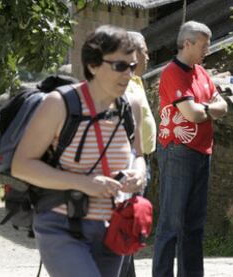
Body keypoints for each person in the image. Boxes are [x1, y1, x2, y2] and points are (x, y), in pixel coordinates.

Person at [11, 25, 146, 277]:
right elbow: (22, 164)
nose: (128, 74)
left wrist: (138, 174)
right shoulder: (60, 104)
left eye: (132, 66)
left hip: (112, 227)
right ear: (93, 65)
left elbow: (138, 155)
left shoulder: (131, 105)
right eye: (119, 66)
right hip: (61, 226)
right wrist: (83, 183)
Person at [152, 21, 228, 277]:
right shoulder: (172, 72)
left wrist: (203, 107)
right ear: (187, 43)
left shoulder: (201, 72)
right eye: (204, 45)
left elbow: (223, 106)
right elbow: (192, 114)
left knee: (193, 227)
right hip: (178, 151)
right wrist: (208, 108)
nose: (208, 49)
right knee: (171, 225)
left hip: (201, 152)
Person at [126, 31, 157, 195]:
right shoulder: (123, 85)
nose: (148, 57)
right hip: (129, 162)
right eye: (145, 51)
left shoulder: (137, 80)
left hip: (142, 158)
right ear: (134, 53)